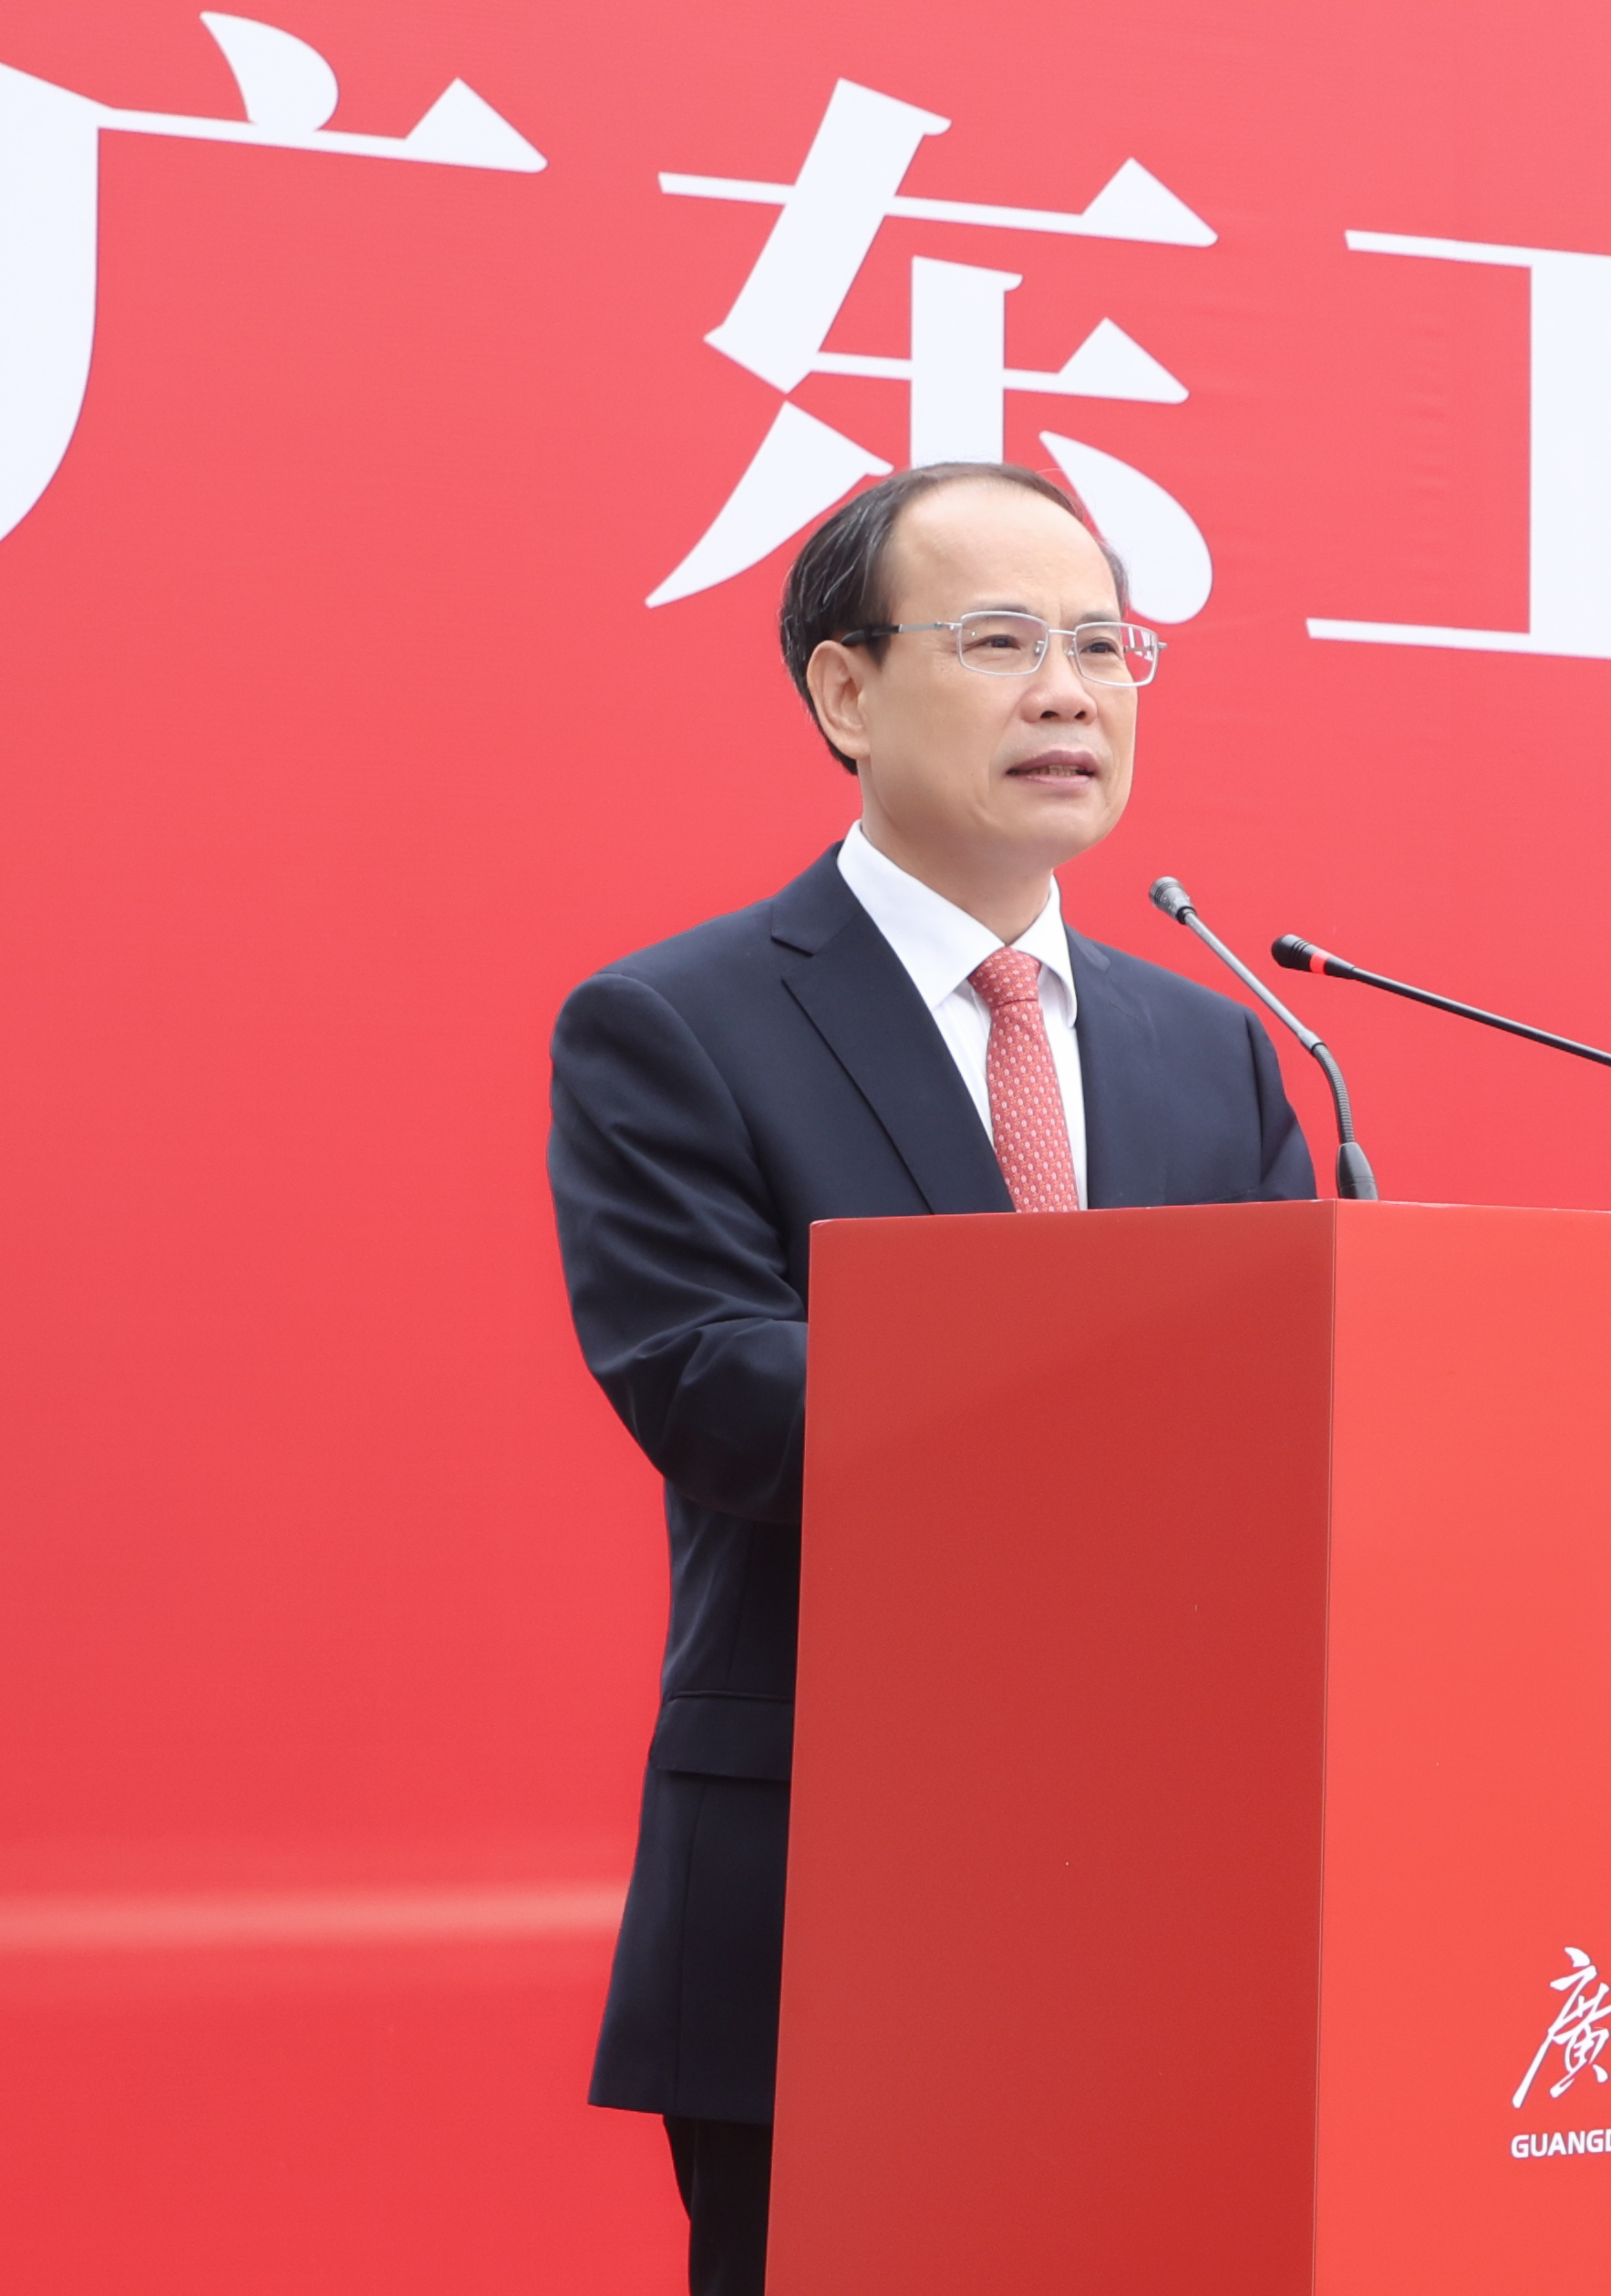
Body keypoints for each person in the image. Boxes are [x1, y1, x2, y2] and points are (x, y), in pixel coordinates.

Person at [544, 462, 1312, 2294]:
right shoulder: (676, 1024)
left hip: (1179, 1905)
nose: (1069, 693)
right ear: (844, 689)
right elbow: (715, 1387)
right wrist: (1128, 1406)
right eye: (999, 642)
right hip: (840, 1904)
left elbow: (1313, 1407)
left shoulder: (1216, 1046)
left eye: (1103, 647)